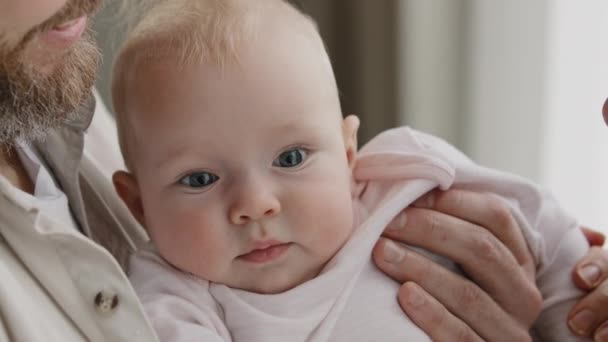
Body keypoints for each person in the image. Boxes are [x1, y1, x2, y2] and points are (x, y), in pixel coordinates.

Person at [0, 0, 606, 341]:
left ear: (348, 153)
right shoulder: (182, 292)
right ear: (136, 206)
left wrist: (576, 306)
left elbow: (541, 227)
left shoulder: (403, 178)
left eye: (291, 159)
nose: (256, 204)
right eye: (200, 180)